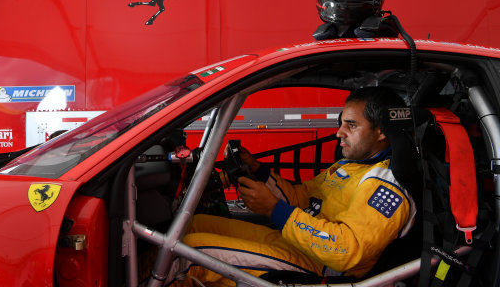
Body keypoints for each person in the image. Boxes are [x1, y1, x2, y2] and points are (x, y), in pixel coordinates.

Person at [168, 86, 416, 286]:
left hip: (321, 266)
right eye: (341, 123)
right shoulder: (350, 166)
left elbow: (345, 250)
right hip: (298, 241)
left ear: (382, 131)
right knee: (194, 224)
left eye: (351, 125)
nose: (339, 133)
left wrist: (274, 210)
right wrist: (258, 170)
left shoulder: (385, 184)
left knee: (188, 254)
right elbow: (302, 197)